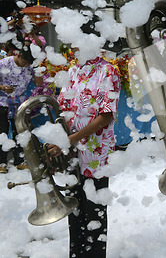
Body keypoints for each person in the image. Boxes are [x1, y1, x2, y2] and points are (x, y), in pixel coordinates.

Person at [46, 21, 121, 258]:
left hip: (95, 157)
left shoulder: (108, 71)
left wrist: (69, 139)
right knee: (75, 213)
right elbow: (63, 110)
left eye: (78, 41)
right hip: (72, 155)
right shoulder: (73, 71)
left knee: (94, 215)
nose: (73, 47)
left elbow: (106, 117)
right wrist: (57, 139)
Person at [0, 46, 36, 173]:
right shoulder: (3, 63)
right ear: (19, 55)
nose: (25, 65)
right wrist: (3, 88)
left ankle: (19, 160)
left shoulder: (29, 67)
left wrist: (38, 70)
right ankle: (1, 163)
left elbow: (38, 82)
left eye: (28, 64)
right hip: (2, 102)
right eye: (24, 62)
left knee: (19, 131)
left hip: (19, 103)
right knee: (2, 132)